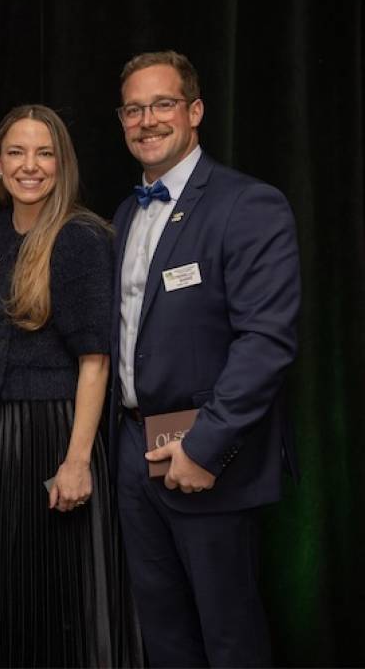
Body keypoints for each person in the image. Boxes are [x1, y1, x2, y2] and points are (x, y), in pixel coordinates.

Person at [109, 50, 300, 666]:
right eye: (134, 109)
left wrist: (204, 446)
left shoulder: (249, 205)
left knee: (229, 636)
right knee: (163, 634)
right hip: (136, 454)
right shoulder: (124, 215)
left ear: (194, 111)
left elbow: (265, 343)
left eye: (162, 104)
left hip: (209, 455)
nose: (148, 120)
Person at [0, 104, 143, 667]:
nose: (29, 166)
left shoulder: (81, 237)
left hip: (58, 431)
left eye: (44, 153)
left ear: (62, 164)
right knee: (1, 587)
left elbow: (96, 361)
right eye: (16, 152)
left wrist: (78, 461)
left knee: (65, 590)